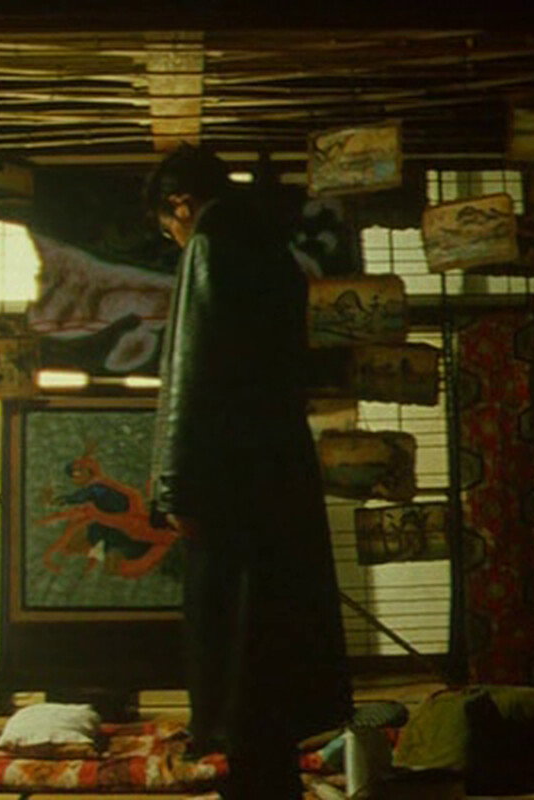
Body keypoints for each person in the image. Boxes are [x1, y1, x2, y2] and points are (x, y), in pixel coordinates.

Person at [145, 145, 353, 799]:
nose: (176, 241)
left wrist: (174, 485)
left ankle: (252, 784)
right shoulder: (272, 250)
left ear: (182, 204)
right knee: (272, 652)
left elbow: (192, 371)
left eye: (170, 230)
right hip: (277, 471)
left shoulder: (210, 245)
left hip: (225, 482)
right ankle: (273, 782)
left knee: (233, 655)